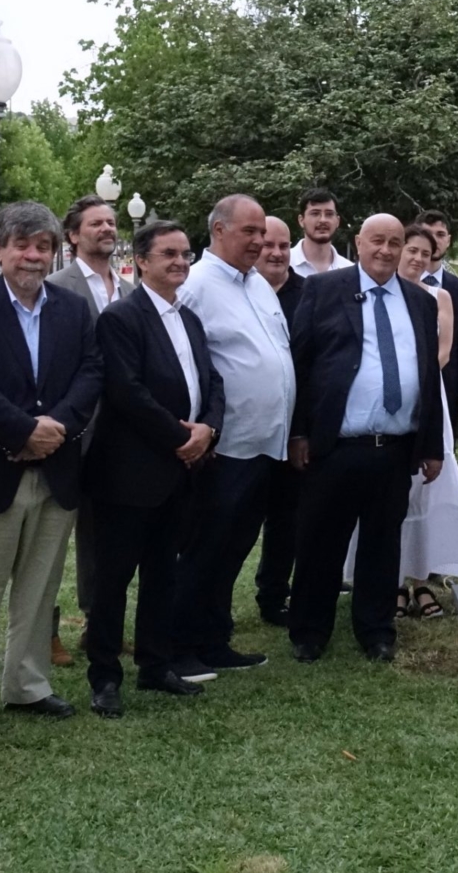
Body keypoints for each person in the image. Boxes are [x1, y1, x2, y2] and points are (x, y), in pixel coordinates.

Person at [0, 202, 102, 735]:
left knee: (38, 588)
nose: (33, 256)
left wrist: (54, 430)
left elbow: (91, 374)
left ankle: (28, 685)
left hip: (55, 473)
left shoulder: (72, 310)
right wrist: (22, 431)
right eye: (22, 245)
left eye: (43, 246)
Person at [286, 214, 444, 662]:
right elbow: (300, 365)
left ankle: (376, 631)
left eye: (395, 242)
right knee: (320, 542)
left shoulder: (420, 301)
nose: (386, 250)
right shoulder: (323, 290)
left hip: (393, 450)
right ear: (358, 242)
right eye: (377, 240)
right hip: (334, 447)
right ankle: (309, 631)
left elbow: (428, 376)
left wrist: (431, 446)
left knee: (382, 545)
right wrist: (299, 431)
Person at [83, 220, 225, 717]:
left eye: (186, 254)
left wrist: (209, 428)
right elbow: (127, 392)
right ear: (141, 261)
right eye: (169, 254)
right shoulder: (121, 318)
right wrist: (182, 439)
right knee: (113, 582)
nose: (181, 262)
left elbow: (212, 381)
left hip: (181, 475)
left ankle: (156, 664)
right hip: (129, 475)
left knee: (164, 574)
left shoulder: (189, 318)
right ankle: (105, 677)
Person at [170, 195, 290, 676]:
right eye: (249, 232)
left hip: (265, 443)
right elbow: (181, 362)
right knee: (204, 549)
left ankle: (215, 639)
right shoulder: (195, 285)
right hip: (222, 447)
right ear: (219, 231)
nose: (260, 241)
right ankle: (178, 647)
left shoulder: (257, 283)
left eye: (263, 232)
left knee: (234, 549)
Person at [46, 194, 131, 665]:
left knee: (103, 539)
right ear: (73, 235)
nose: (107, 229)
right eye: (96, 223)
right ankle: (44, 631)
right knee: (51, 540)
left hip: (118, 438)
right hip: (70, 432)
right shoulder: (56, 287)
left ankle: (99, 626)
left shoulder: (130, 289)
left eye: (111, 222)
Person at [392, 224, 458, 616]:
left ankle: (422, 581)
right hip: (390, 398)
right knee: (394, 489)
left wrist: (418, 378)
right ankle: (393, 581)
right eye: (411, 250)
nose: (417, 258)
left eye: (425, 254)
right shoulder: (383, 294)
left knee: (430, 488)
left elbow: (445, 351)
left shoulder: (440, 297)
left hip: (429, 397)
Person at [251, 215, 305, 625]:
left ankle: (274, 595)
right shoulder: (241, 292)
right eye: (268, 245)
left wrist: (302, 431)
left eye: (284, 246)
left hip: (294, 431)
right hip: (245, 431)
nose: (276, 253)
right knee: (237, 520)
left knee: (287, 521)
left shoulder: (310, 294)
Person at [415, 211, 458, 438]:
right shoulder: (400, 282)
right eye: (428, 234)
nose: (434, 240)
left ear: (449, 240)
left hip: (446, 391)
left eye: (440, 234)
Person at [291, 187, 349, 277]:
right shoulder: (285, 263)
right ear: (301, 220)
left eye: (329, 214)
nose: (323, 220)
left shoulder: (348, 270)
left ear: (337, 221)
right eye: (315, 213)